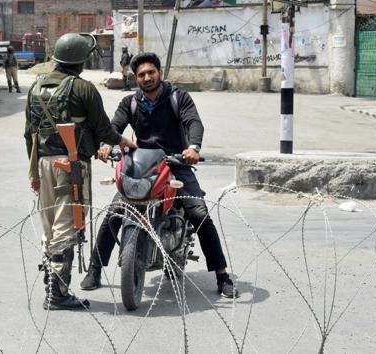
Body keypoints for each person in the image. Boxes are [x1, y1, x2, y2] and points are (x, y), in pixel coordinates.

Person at [80, 52, 239, 298]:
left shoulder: (178, 97)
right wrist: (105, 144)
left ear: (159, 73)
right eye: (141, 74)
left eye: (151, 72)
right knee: (115, 211)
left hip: (176, 163)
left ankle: (222, 275)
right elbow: (114, 127)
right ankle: (95, 269)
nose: (147, 77)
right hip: (144, 165)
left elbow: (193, 122)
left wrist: (193, 148)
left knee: (199, 213)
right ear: (136, 78)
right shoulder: (130, 103)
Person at [24, 33, 136, 311]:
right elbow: (103, 129)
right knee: (68, 224)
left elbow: (29, 134)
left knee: (50, 226)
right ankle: (58, 293)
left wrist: (34, 174)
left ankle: (52, 285)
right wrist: (122, 141)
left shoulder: (36, 87)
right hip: (71, 165)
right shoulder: (83, 88)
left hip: (43, 163)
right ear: (80, 60)